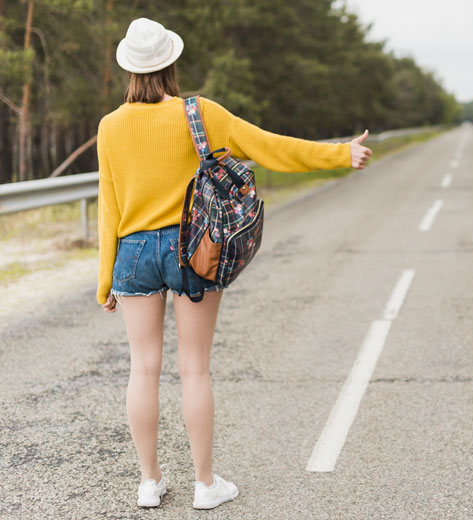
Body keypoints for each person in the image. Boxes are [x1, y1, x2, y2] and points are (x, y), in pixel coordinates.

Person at [97, 17, 372, 509]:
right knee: (194, 369)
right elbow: (268, 145)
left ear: (130, 69)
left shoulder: (110, 126)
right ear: (170, 64)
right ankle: (205, 486)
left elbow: (109, 206)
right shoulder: (198, 113)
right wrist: (339, 154)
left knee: (142, 369)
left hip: (133, 253)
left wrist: (105, 283)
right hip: (194, 247)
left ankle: (148, 483)